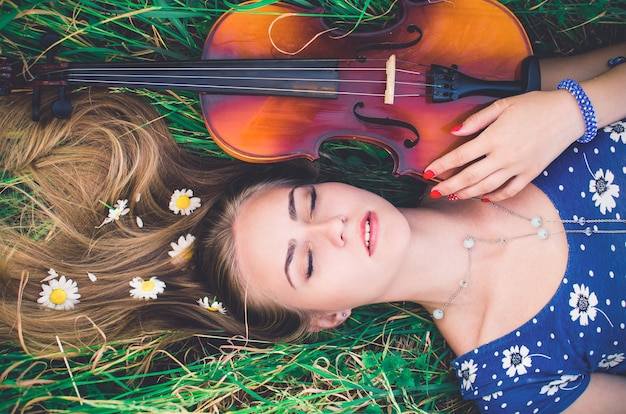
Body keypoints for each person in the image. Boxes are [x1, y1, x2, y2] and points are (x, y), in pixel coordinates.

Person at [0, 43, 624, 413]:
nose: (337, 229)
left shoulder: (480, 123)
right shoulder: (512, 378)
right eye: (306, 263)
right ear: (325, 318)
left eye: (307, 203)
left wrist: (577, 108)